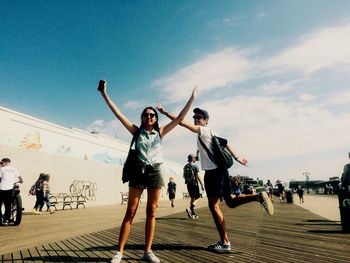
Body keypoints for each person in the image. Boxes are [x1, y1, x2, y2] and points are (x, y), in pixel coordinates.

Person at [98, 80, 197, 263]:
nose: (149, 117)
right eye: (146, 115)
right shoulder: (136, 132)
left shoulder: (161, 132)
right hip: (138, 171)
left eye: (152, 115)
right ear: (142, 118)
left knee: (151, 211)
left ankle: (148, 251)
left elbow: (179, 119)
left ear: (156, 118)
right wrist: (105, 94)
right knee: (131, 211)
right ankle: (119, 252)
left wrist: (191, 98)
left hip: (155, 171)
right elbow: (118, 114)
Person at [157, 106, 274, 253]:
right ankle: (258, 197)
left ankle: (225, 242)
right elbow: (226, 143)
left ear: (206, 121)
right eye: (195, 117)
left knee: (214, 206)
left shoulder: (203, 131)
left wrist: (165, 113)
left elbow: (181, 122)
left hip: (213, 173)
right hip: (223, 171)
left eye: (199, 117)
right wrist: (237, 158)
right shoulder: (212, 131)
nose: (195, 119)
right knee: (230, 201)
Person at [0, 158, 23, 225]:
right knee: (8, 205)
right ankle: (6, 219)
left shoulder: (2, 169)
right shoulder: (14, 169)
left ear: (5, 162)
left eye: (2, 163)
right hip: (10, 189)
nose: (1, 164)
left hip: (2, 189)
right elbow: (20, 177)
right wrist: (21, 180)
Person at [183, 154, 204, 219]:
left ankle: (192, 212)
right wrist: (202, 184)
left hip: (188, 184)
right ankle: (190, 208)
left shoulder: (185, 166)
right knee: (198, 197)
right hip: (194, 184)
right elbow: (197, 176)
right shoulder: (195, 166)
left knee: (192, 197)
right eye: (194, 158)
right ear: (192, 159)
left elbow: (184, 176)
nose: (195, 158)